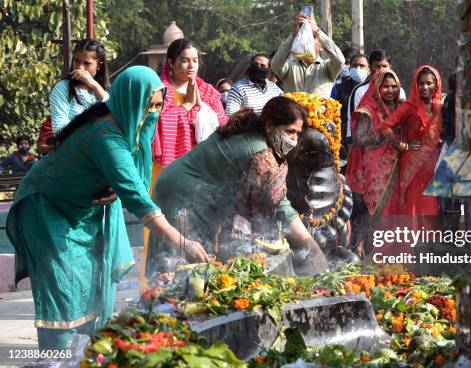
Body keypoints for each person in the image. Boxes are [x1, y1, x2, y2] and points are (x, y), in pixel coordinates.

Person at [6, 66, 208, 350]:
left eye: (157, 107)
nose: (151, 114)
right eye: (146, 106)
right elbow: (137, 199)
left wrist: (112, 189)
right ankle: (56, 358)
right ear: (128, 101)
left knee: (92, 284)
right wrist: (182, 242)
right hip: (46, 211)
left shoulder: (126, 132)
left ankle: (89, 355)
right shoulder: (106, 135)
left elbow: (129, 183)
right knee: (63, 293)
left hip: (81, 212)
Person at [148, 96, 328, 276]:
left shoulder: (250, 132)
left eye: (297, 133)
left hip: (177, 185)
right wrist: (313, 249)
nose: (293, 140)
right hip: (182, 196)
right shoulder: (261, 155)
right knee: (181, 271)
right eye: (289, 132)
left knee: (201, 269)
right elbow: (279, 205)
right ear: (270, 125)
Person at [345, 70, 401, 256]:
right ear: (376, 88)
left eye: (394, 86)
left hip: (394, 168)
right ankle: (363, 253)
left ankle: (385, 252)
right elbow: (359, 138)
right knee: (369, 213)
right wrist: (383, 134)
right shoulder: (367, 109)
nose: (390, 90)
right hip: (370, 168)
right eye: (386, 86)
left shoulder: (400, 106)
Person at [376, 65, 444, 217]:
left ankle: (429, 239)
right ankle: (410, 239)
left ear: (436, 84)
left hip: (433, 163)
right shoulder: (409, 106)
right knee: (412, 201)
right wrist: (402, 145)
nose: (424, 87)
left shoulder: (439, 106)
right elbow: (385, 127)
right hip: (412, 162)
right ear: (415, 84)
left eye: (429, 83)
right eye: (421, 83)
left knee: (430, 202)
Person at [152, 38, 228, 171]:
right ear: (171, 62)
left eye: (195, 60)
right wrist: (187, 105)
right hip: (167, 167)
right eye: (184, 61)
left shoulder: (207, 91)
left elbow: (223, 124)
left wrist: (201, 105)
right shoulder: (159, 91)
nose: (191, 66)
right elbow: (156, 123)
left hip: (203, 164)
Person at [270, 12, 344, 96]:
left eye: (313, 37)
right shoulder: (289, 65)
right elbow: (275, 64)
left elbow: (340, 60)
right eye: (303, 37)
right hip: (293, 109)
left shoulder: (327, 67)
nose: (307, 40)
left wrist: (316, 31)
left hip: (319, 109)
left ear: (322, 46)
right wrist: (294, 35)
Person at [49, 39, 109, 136]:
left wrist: (94, 85)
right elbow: (58, 128)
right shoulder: (62, 87)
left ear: (98, 66)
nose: (80, 67)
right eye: (76, 61)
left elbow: (113, 115)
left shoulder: (103, 91)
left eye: (86, 63)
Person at [346, 49, 407, 143]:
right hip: (368, 145)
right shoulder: (360, 91)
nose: (381, 70)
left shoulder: (399, 91)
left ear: (390, 67)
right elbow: (353, 123)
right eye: (377, 66)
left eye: (384, 66)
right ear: (370, 68)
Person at [333, 53, 369, 155]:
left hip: (369, 138)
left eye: (362, 66)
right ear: (349, 69)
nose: (358, 68)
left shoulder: (373, 88)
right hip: (343, 138)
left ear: (369, 70)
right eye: (354, 65)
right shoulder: (339, 88)